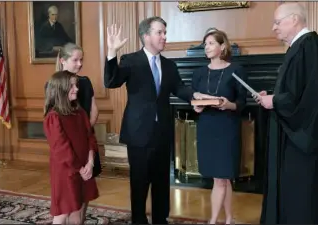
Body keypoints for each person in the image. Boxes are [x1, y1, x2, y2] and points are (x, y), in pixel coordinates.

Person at [104, 17, 217, 224]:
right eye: (160, 32)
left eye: (165, 32)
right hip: (138, 132)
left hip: (162, 131)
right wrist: (112, 53)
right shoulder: (130, 60)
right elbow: (111, 81)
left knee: (161, 181)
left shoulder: (169, 65)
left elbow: (179, 88)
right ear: (146, 36)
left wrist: (195, 97)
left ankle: (160, 219)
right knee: (139, 182)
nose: (164, 36)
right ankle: (138, 219)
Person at [256, 3, 318, 224]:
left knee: (303, 197)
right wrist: (271, 96)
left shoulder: (311, 47)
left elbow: (313, 99)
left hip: (305, 144)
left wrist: (275, 101)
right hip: (294, 139)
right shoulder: (299, 48)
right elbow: (295, 91)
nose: (273, 28)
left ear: (295, 19)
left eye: (278, 22)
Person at [192, 30, 247, 224]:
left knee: (222, 178)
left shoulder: (236, 70)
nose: (206, 47)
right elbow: (194, 102)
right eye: (205, 44)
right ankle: (229, 218)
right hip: (207, 128)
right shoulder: (198, 73)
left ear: (222, 46)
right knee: (222, 178)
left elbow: (242, 102)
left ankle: (213, 221)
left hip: (227, 128)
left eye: (211, 43)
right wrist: (197, 107)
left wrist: (227, 104)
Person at [43, 71, 99, 224]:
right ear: (60, 89)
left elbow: (90, 138)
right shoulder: (53, 117)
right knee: (63, 211)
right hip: (66, 171)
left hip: (84, 167)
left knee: (78, 208)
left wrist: (90, 163)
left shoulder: (80, 112)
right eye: (72, 86)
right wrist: (80, 168)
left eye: (76, 85)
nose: (76, 89)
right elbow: (62, 149)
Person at [44, 42, 99, 127]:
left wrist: (87, 129)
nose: (80, 64)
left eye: (81, 60)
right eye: (75, 60)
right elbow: (52, 114)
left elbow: (94, 109)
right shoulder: (52, 84)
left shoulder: (85, 81)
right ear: (62, 61)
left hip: (86, 131)